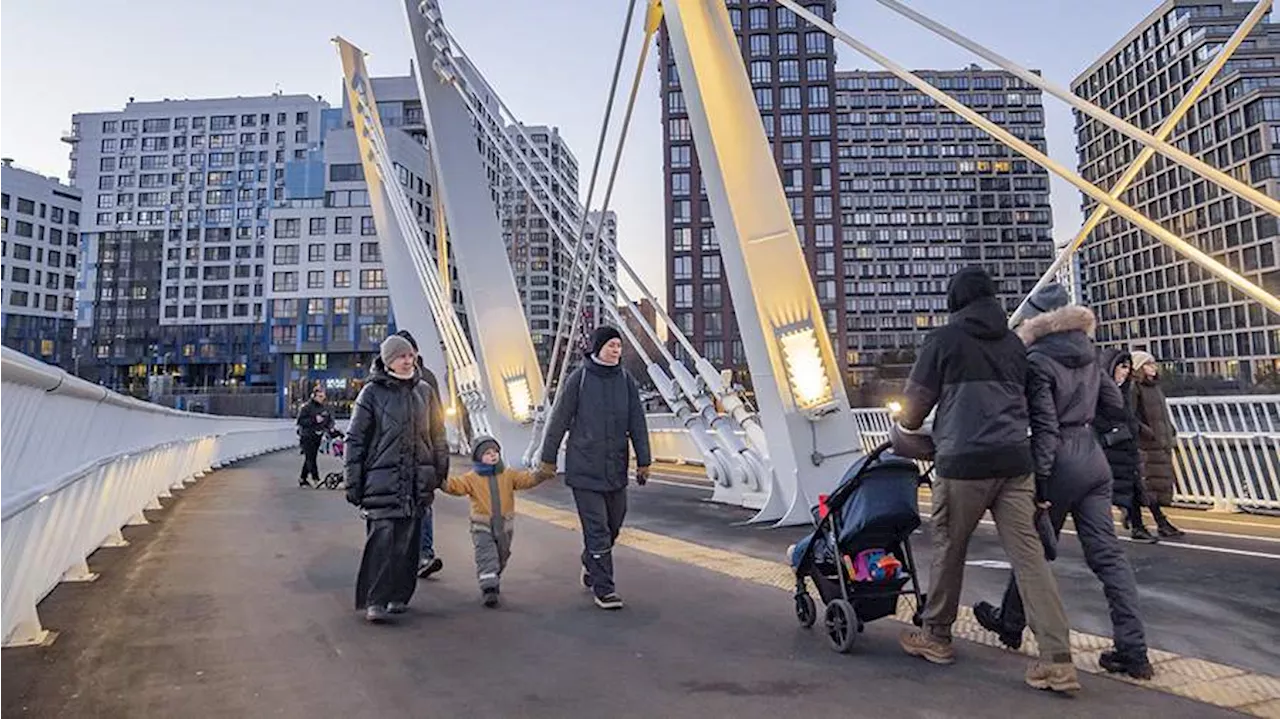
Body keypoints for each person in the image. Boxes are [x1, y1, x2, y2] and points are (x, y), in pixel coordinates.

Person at [893, 267, 1078, 693]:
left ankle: (937, 637)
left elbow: (914, 410)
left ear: (954, 301)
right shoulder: (1015, 345)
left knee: (949, 548)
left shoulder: (942, 341)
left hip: (963, 465)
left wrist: (907, 425)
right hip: (1015, 464)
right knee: (1029, 559)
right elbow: (1034, 407)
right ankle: (1058, 660)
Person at [972, 285, 1153, 681]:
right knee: (1109, 558)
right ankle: (1133, 650)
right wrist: (1094, 440)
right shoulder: (1091, 356)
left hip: (1058, 463)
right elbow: (1116, 408)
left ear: (1036, 320)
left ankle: (1010, 622)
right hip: (1093, 460)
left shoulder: (1036, 360)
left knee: (1032, 552)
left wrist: (1043, 479)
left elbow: (1046, 426)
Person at [537, 325, 651, 611]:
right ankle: (605, 588)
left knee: (614, 524)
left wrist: (644, 460)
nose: (616, 350)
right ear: (597, 348)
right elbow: (559, 419)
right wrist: (547, 459)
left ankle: (592, 561)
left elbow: (637, 422)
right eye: (611, 345)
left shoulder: (625, 381)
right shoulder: (580, 379)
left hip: (616, 469)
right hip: (584, 469)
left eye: (618, 346)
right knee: (598, 529)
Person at [345, 333, 449, 622]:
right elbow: (356, 439)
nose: (407, 360)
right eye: (401, 356)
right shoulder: (371, 393)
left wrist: (440, 471)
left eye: (410, 356)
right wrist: (353, 480)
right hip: (381, 481)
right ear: (389, 360)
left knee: (408, 541)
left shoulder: (424, 392)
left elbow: (437, 435)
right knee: (382, 540)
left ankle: (399, 595)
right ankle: (375, 600)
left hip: (416, 480)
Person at [442, 435, 553, 608]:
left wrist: (540, 475)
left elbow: (526, 480)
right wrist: (441, 482)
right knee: (486, 555)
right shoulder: (472, 478)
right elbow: (456, 486)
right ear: (478, 457)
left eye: (495, 452)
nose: (493, 455)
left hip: (505, 525)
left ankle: (494, 577)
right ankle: (489, 589)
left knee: (502, 554)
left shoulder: (508, 475)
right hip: (482, 524)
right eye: (487, 453)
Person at [393, 328, 446, 579]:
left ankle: (424, 553)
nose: (406, 359)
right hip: (394, 459)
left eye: (409, 353)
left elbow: (438, 424)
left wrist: (440, 462)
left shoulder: (427, 381)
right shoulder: (384, 381)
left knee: (423, 505)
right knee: (398, 508)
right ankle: (407, 555)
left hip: (421, 457)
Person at [1096, 349, 1157, 543]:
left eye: (1128, 368)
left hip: (1126, 447)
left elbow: (1129, 417)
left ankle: (1137, 525)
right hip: (1109, 448)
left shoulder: (1124, 390)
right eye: (1122, 367)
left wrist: (1137, 430)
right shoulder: (1098, 391)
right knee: (1106, 491)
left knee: (1132, 486)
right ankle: (1108, 530)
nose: (1125, 372)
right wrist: (1111, 433)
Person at [1131, 350, 1185, 538]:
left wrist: (1170, 429)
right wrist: (1148, 432)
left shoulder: (1155, 387)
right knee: (1147, 484)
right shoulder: (1135, 387)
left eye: (1153, 364)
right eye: (1148, 364)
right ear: (1138, 367)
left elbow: (1162, 414)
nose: (1153, 367)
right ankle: (1155, 523)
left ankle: (1146, 523)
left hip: (1159, 443)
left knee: (1151, 484)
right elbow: (1131, 416)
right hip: (1146, 444)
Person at [296, 386, 336, 487]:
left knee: (310, 457)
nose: (322, 398)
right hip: (307, 435)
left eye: (323, 396)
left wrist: (330, 427)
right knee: (311, 457)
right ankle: (315, 478)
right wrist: (314, 419)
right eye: (319, 396)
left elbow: (330, 420)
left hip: (318, 436)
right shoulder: (306, 407)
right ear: (314, 396)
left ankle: (303, 478)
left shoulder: (325, 408)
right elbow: (300, 421)